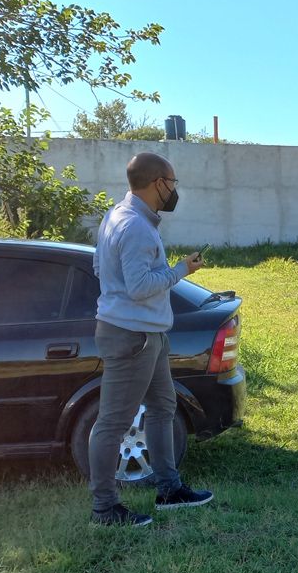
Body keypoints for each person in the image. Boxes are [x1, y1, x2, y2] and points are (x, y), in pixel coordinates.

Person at [88, 152, 211, 526]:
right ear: (158, 183)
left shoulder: (116, 216)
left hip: (146, 333)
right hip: (133, 337)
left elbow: (99, 267)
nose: (174, 190)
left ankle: (169, 489)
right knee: (113, 422)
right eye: (172, 183)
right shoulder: (136, 227)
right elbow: (140, 287)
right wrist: (180, 270)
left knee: (162, 406)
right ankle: (104, 509)